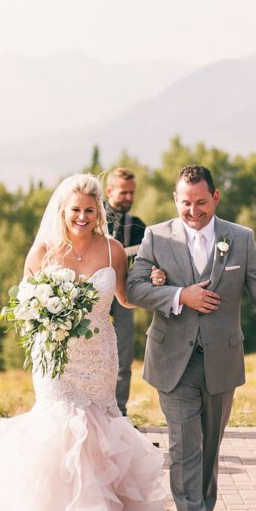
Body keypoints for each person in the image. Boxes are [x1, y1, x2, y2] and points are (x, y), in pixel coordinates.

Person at [0, 174, 166, 511]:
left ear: (99, 213)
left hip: (99, 356)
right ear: (63, 210)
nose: (82, 217)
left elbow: (125, 298)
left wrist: (155, 281)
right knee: (59, 428)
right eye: (75, 209)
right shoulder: (43, 252)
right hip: (57, 359)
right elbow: (24, 308)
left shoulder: (112, 250)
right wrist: (49, 319)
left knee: (96, 431)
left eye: (89, 210)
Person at [127, 165, 256, 511]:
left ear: (215, 198)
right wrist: (179, 295)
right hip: (173, 358)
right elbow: (134, 288)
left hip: (222, 358)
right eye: (185, 203)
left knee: (209, 442)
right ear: (175, 199)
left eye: (201, 202)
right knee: (184, 443)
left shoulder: (241, 238)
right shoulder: (156, 236)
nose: (193, 211)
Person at [104, 167, 147, 417]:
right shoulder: (93, 216)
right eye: (123, 192)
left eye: (132, 192)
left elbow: (147, 260)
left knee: (124, 357)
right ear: (109, 190)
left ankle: (119, 413)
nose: (129, 197)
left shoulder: (138, 226)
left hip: (124, 298)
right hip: (94, 296)